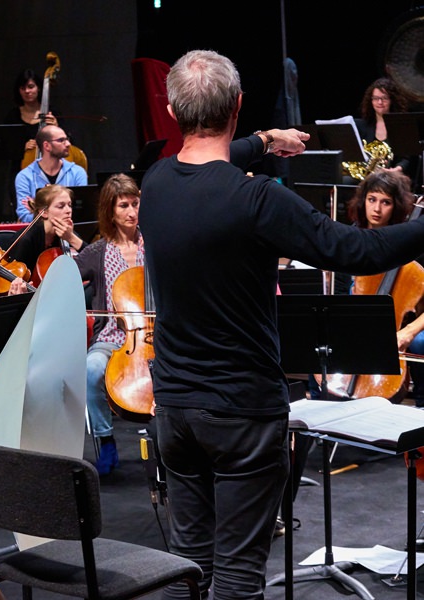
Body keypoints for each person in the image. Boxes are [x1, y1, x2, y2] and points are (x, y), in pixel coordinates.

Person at [138, 49, 424, 600]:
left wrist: (267, 142)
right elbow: (356, 250)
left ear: (172, 112)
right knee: (240, 574)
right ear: (239, 105)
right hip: (243, 413)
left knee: (188, 564)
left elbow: (210, 155)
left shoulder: (154, 184)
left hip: (174, 409)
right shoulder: (258, 200)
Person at [72, 174, 142, 475]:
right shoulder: (98, 251)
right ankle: (105, 440)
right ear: (110, 211)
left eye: (135, 204)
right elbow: (65, 276)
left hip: (154, 335)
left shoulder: (152, 244)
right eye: (123, 205)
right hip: (113, 337)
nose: (131, 212)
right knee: (91, 370)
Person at [345, 169, 424, 405]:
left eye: (386, 202)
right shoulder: (349, 240)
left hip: (397, 330)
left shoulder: (412, 245)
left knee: (419, 343)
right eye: (372, 200)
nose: (377, 209)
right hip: (356, 326)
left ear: (396, 207)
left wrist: (407, 333)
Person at [7, 183, 84, 277]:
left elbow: (94, 260)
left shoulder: (67, 234)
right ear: (44, 212)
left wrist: (72, 238)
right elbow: (15, 278)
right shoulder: (26, 239)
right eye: (61, 206)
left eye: (69, 205)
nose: (68, 211)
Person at [14, 125, 87, 222]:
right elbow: (25, 216)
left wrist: (39, 210)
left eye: (67, 139)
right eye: (61, 140)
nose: (68, 144)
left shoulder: (78, 172)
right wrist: (61, 212)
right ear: (46, 146)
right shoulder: (24, 176)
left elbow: (82, 212)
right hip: (39, 235)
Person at [354, 77, 414, 177]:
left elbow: (406, 159)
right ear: (371, 100)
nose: (380, 102)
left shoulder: (401, 127)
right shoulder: (361, 125)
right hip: (365, 176)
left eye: (384, 98)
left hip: (391, 176)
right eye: (376, 98)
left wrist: (396, 170)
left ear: (392, 100)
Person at [3, 68, 58, 166]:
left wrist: (57, 127)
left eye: (31, 87)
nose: (27, 91)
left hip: (51, 167)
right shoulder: (13, 116)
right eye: (23, 88)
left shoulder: (52, 113)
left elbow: (68, 143)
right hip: (21, 168)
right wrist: (22, 147)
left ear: (39, 88)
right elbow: (6, 146)